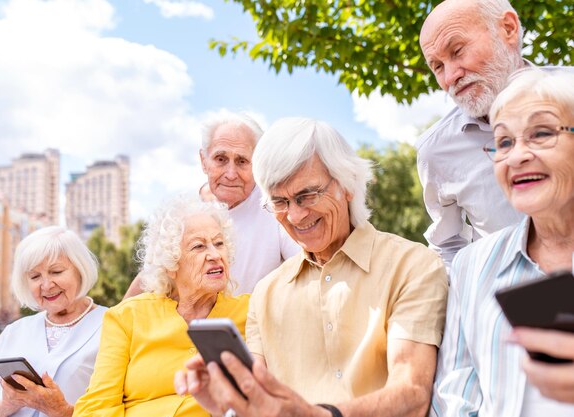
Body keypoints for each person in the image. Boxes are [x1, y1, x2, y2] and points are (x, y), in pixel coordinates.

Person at [175, 117, 448, 417]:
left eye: (306, 195)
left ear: (347, 185)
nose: (294, 216)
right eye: (279, 202)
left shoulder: (411, 266)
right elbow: (258, 405)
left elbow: (412, 394)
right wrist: (228, 403)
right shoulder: (266, 294)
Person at [431, 68, 574, 416]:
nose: (516, 156)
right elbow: (456, 395)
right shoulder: (472, 265)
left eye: (541, 133)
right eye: (505, 141)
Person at [73, 196, 249, 416]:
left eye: (219, 243)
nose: (215, 255)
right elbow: (97, 406)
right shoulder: (126, 317)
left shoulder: (251, 313)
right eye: (198, 246)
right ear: (171, 263)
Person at [125, 111, 299, 296]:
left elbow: (308, 266)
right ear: (204, 161)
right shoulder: (181, 210)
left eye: (242, 161)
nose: (231, 174)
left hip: (253, 322)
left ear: (258, 165)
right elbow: (152, 276)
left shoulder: (277, 206)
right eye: (221, 159)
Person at [417, 0, 530, 267]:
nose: (450, 78)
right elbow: (447, 247)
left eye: (457, 51)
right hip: (523, 304)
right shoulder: (435, 150)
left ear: (508, 28)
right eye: (437, 67)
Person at [0, 226, 106, 417]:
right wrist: (3, 407)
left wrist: (62, 411)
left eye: (56, 271)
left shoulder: (112, 325)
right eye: (35, 276)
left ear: (80, 270)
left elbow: (129, 406)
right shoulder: (16, 331)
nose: (46, 285)